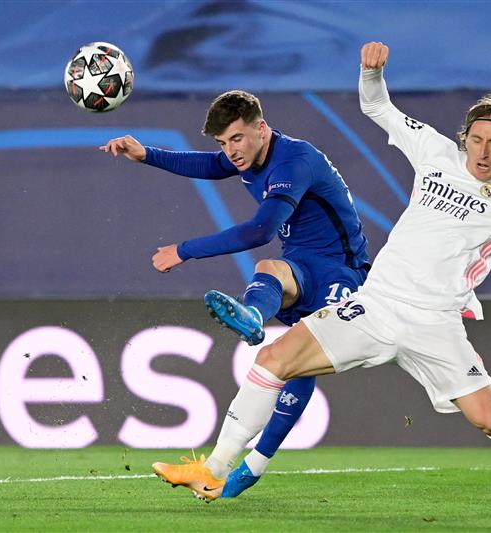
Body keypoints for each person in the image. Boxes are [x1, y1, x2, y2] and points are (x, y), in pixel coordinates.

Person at [151, 41, 491, 511]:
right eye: (475, 139)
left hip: (435, 323)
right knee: (272, 359)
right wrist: (371, 72)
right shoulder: (435, 152)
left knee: (490, 422)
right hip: (376, 303)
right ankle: (215, 467)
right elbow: (376, 106)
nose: (482, 150)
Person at [99, 90, 371, 497]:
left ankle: (244, 459)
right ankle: (253, 321)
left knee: (297, 358)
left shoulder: (295, 162)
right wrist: (146, 155)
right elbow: (210, 164)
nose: (231, 152)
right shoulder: (248, 154)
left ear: (261, 128)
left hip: (343, 274)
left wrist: (184, 251)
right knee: (274, 291)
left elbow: (260, 231)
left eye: (237, 139)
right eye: (223, 143)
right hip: (300, 265)